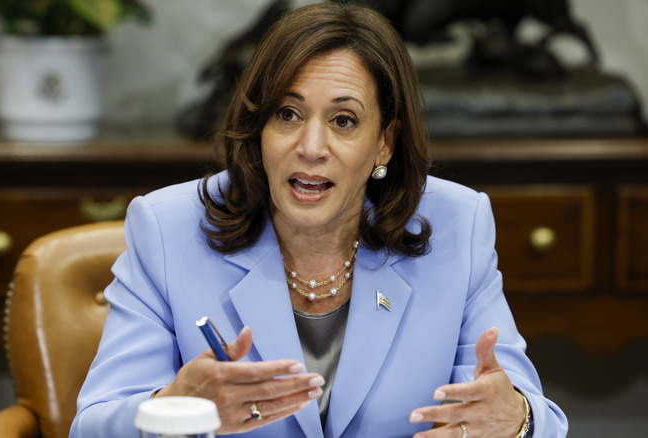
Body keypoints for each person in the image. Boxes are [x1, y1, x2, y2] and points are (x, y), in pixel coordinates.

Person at [71, 2, 568, 437]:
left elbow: (532, 414)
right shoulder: (166, 230)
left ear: (385, 143)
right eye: (287, 114)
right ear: (258, 127)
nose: (310, 148)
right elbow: (93, 424)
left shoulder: (457, 226)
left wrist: (516, 421)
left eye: (343, 121)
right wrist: (173, 408)